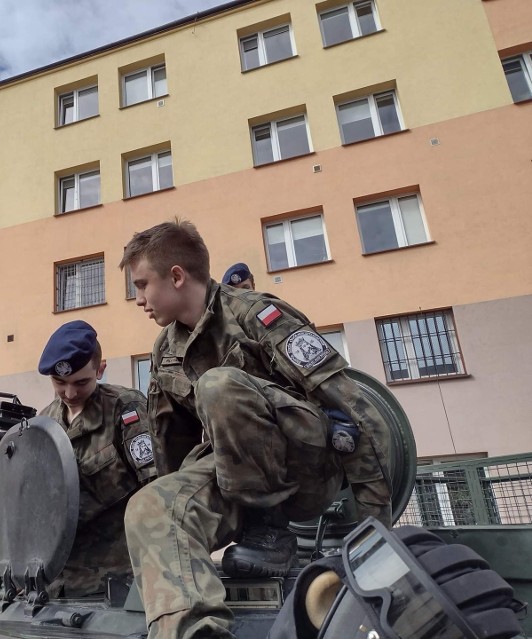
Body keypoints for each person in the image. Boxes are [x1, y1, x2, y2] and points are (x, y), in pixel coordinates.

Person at [119, 219, 392, 639]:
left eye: (141, 285)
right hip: (231, 483)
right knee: (149, 506)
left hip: (304, 474)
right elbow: (170, 445)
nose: (137, 299)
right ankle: (194, 632)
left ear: (176, 276)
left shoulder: (257, 316)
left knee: (218, 385)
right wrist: (176, 528)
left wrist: (377, 534)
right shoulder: (164, 349)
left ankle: (269, 529)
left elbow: (356, 413)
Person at [38, 320, 156, 597]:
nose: (70, 393)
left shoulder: (125, 408)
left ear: (100, 370)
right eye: (60, 383)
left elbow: (155, 490)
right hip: (57, 582)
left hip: (118, 581)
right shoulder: (44, 422)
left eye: (81, 382)